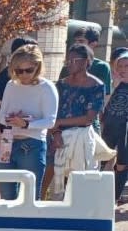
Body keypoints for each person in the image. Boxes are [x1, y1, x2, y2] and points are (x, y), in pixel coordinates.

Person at [43, 44, 107, 200]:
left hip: (82, 137)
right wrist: (56, 132)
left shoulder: (97, 86)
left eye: (74, 60)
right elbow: (54, 113)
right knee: (48, 174)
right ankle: (42, 209)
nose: (69, 64)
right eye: (68, 60)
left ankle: (77, 213)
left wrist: (59, 123)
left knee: (79, 179)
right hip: (57, 136)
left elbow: (88, 118)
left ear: (85, 62)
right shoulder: (61, 84)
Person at [0, 44, 58, 200]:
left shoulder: (47, 88)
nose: (23, 75)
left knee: (29, 197)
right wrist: (11, 119)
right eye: (19, 71)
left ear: (37, 67)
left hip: (32, 144)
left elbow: (50, 121)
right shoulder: (11, 85)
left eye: (28, 70)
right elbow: (0, 116)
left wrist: (27, 124)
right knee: (7, 195)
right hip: (8, 141)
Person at [0, 37, 38, 167]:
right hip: (7, 134)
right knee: (1, 175)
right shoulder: (5, 77)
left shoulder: (38, 80)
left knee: (26, 177)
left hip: (30, 135)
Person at [101, 50, 128, 202]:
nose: (123, 69)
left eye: (126, 66)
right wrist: (113, 87)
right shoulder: (112, 84)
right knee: (101, 161)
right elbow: (103, 107)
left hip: (125, 130)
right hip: (109, 128)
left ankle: (113, 200)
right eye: (120, 66)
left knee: (122, 165)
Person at [58, 27, 112, 96]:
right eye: (75, 41)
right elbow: (59, 91)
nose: (76, 44)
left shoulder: (102, 67)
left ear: (93, 44)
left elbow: (105, 95)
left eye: (81, 41)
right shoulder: (68, 65)